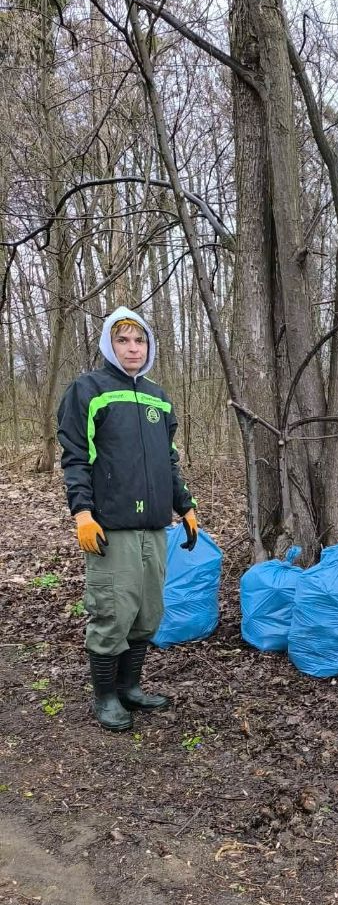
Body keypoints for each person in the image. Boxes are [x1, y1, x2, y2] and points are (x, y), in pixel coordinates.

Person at [57, 306, 198, 732]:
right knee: (113, 614)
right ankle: (105, 697)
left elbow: (167, 461)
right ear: (108, 344)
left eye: (140, 341)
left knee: (147, 614)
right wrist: (82, 513)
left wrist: (185, 506)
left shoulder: (158, 396)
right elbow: (76, 458)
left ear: (149, 346)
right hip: (111, 526)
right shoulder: (88, 389)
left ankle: (130, 687)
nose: (132, 348)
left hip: (155, 526)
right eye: (123, 340)